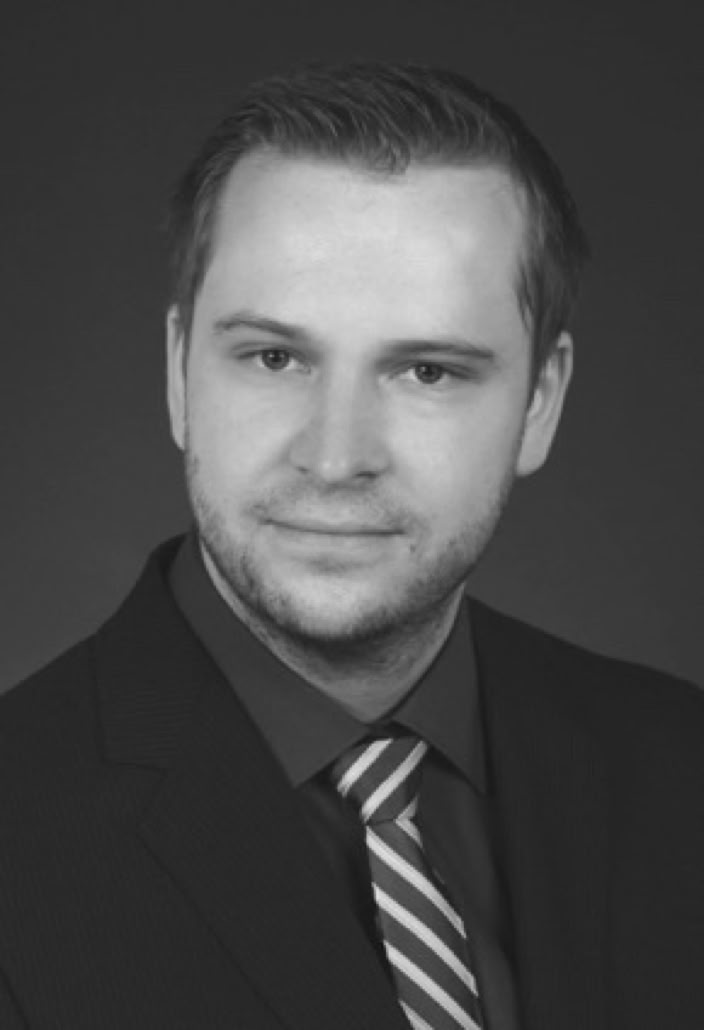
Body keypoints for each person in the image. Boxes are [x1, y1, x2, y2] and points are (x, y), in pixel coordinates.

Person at [0, 61, 702, 1030]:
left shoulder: (678, 767)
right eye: (274, 357)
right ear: (177, 371)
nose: (335, 459)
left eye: (427, 371)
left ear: (540, 403)